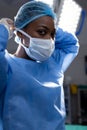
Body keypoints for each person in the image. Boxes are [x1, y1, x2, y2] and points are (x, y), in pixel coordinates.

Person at [0, 1, 79, 130]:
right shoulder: (6, 66)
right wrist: (3, 30)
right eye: (42, 32)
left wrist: (49, 26)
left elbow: (71, 44)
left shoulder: (54, 65)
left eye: (52, 35)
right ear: (20, 33)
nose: (49, 39)